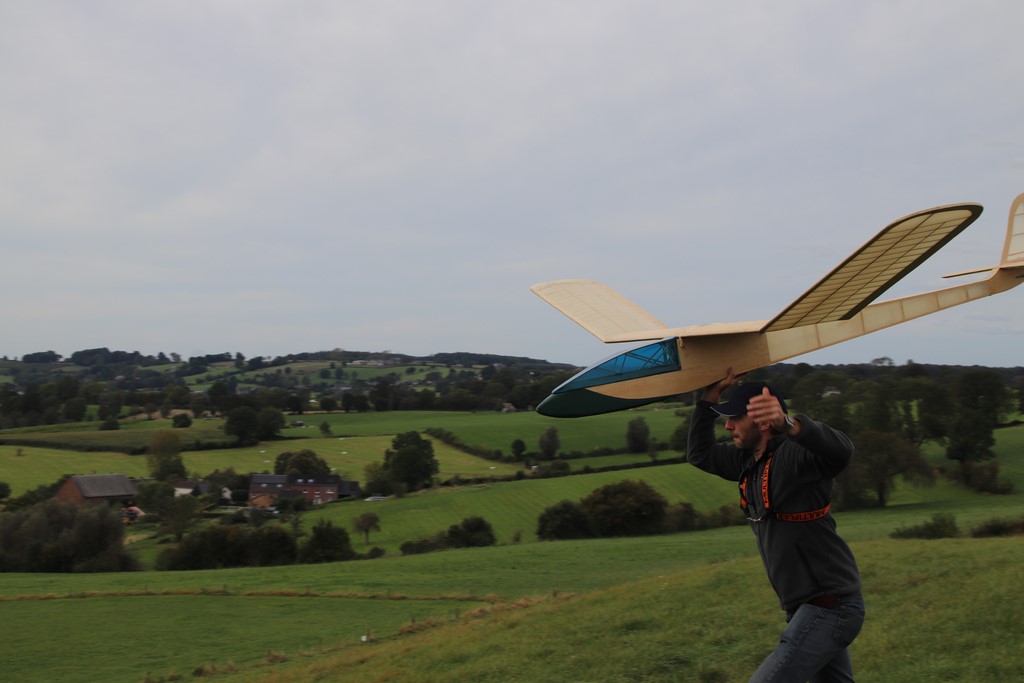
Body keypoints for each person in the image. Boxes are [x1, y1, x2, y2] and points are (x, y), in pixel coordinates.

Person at [687, 368, 865, 682]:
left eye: (736, 417)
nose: (727, 425)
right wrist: (709, 398)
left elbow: (842, 451)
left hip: (830, 607)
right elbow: (700, 454)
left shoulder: (797, 456)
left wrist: (791, 424)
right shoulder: (746, 461)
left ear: (765, 421)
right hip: (802, 609)